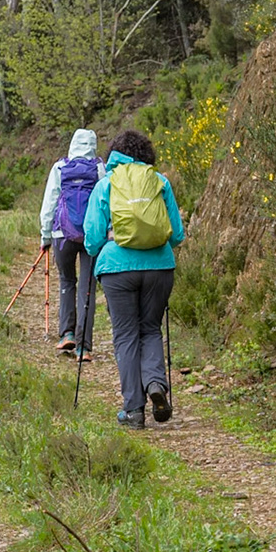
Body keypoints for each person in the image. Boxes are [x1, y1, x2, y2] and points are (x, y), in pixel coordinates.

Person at [79, 128, 184, 428]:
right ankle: (155, 384)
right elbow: (176, 233)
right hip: (160, 267)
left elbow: (92, 238)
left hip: (117, 268)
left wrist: (106, 247)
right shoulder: (159, 181)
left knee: (125, 335)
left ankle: (133, 410)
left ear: (116, 154)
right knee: (150, 329)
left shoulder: (106, 185)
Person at [38, 129, 100, 356]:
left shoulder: (60, 167)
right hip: (91, 235)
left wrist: (45, 236)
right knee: (87, 289)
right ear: (94, 145)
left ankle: (67, 334)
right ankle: (84, 347)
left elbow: (50, 203)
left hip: (61, 235)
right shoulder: (99, 168)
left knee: (66, 282)